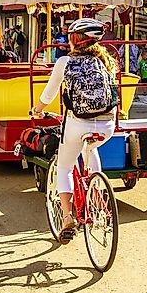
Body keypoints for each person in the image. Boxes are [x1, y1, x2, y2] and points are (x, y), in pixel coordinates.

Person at [29, 18, 118, 244]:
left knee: (65, 167)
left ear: (74, 40)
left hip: (78, 123)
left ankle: (68, 218)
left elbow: (48, 95)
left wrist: (37, 111)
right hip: (107, 124)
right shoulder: (107, 61)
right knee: (91, 147)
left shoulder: (64, 62)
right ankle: (97, 191)